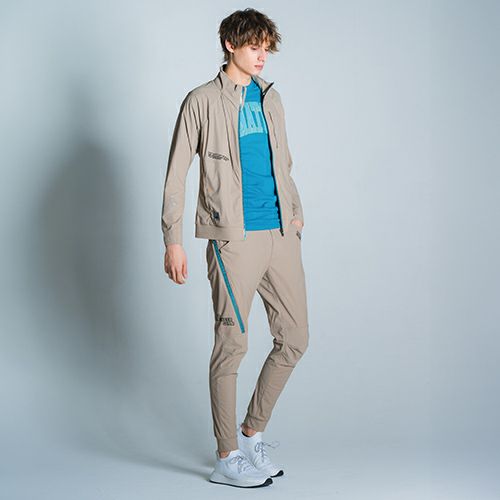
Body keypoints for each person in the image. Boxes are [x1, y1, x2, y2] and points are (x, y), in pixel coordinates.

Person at [161, 8, 309, 488]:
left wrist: (295, 213)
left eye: (267, 47)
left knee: (295, 338)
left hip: (280, 235)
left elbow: (283, 163)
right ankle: (226, 456)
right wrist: (173, 240)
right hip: (233, 240)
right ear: (230, 43)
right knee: (232, 346)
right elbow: (176, 175)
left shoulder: (271, 98)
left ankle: (250, 434)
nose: (262, 55)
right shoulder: (201, 101)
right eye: (253, 46)